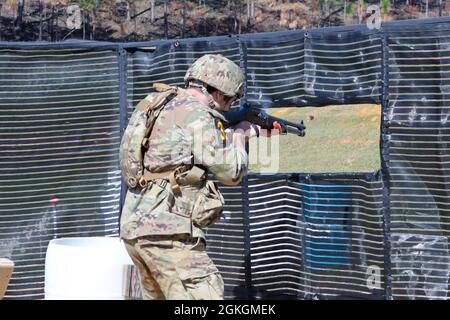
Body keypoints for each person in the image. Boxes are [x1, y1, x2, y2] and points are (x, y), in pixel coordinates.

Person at [120, 54, 260, 300]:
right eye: (229, 100)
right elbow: (231, 173)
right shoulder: (197, 114)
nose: (228, 106)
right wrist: (240, 137)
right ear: (216, 93)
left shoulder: (160, 103)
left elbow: (173, 153)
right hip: (168, 233)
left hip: (136, 227)